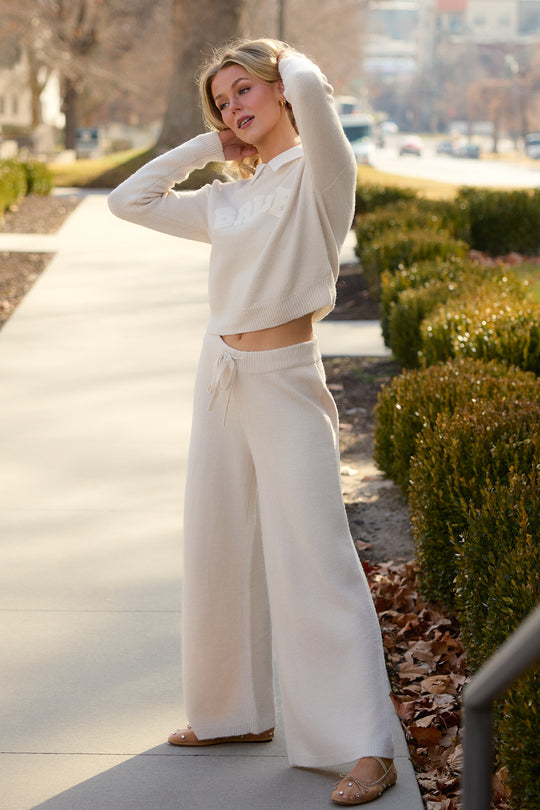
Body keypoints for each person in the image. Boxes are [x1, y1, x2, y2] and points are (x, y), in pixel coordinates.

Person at [108, 37, 397, 806]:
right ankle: (230, 714)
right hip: (220, 374)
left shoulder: (322, 173)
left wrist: (285, 57)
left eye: (245, 90)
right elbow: (126, 201)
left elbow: (316, 96)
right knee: (217, 541)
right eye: (222, 99)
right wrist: (211, 142)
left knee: (315, 557)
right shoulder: (231, 196)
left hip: (285, 381)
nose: (235, 105)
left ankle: (364, 745)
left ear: (280, 88)